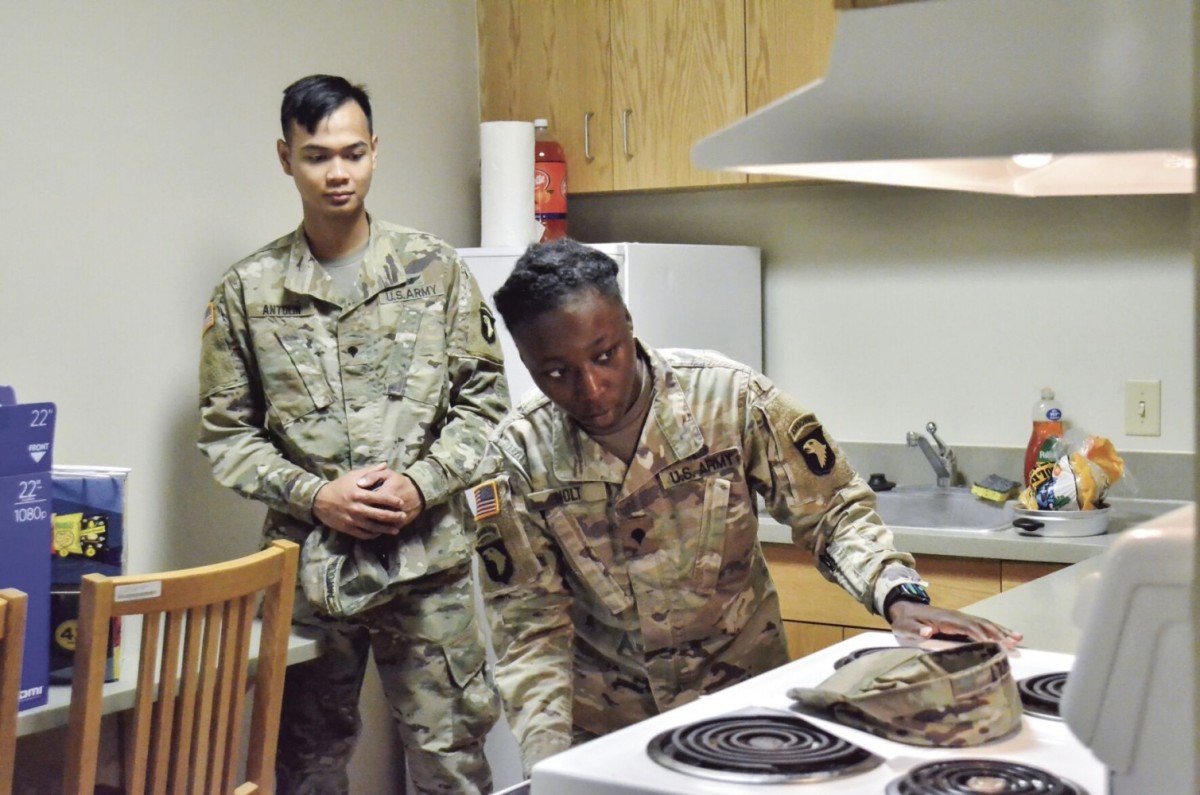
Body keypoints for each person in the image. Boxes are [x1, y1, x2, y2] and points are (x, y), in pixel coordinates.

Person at [469, 237, 1022, 772]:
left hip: (743, 707)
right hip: (611, 731)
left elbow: (832, 512)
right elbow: (528, 628)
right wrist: (548, 767)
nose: (592, 389)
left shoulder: (729, 400)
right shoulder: (518, 457)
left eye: (605, 355)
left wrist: (898, 595)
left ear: (629, 325)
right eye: (557, 373)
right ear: (526, 362)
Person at [197, 74, 508, 794]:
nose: (338, 172)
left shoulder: (435, 271)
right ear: (286, 158)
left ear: (375, 153)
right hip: (309, 566)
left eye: (353, 152)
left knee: (452, 759)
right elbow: (226, 434)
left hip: (426, 558)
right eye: (316, 156)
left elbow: (485, 404)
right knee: (304, 761)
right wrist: (316, 494)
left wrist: (421, 481)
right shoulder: (248, 291)